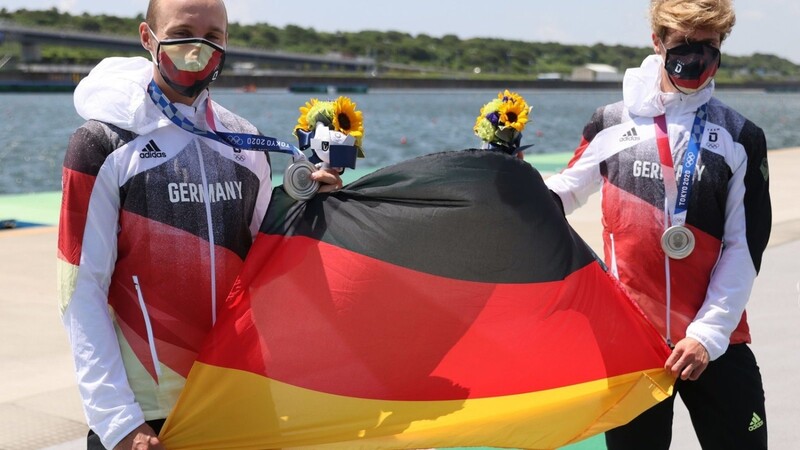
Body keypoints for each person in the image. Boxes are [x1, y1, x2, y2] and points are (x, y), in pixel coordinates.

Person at [56, 0, 341, 448]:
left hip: (236, 395)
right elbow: (80, 289)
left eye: (214, 37)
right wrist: (119, 422)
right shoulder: (102, 144)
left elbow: (265, 264)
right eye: (184, 31)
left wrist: (313, 206)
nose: (199, 47)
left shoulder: (245, 143)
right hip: (147, 411)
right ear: (148, 38)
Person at [545, 1, 771, 449]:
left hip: (715, 340)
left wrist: (708, 335)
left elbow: (745, 246)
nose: (698, 56)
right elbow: (562, 194)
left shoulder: (740, 136)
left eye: (709, 45)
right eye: (685, 44)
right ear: (658, 41)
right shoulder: (610, 122)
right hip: (633, 344)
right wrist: (502, 181)